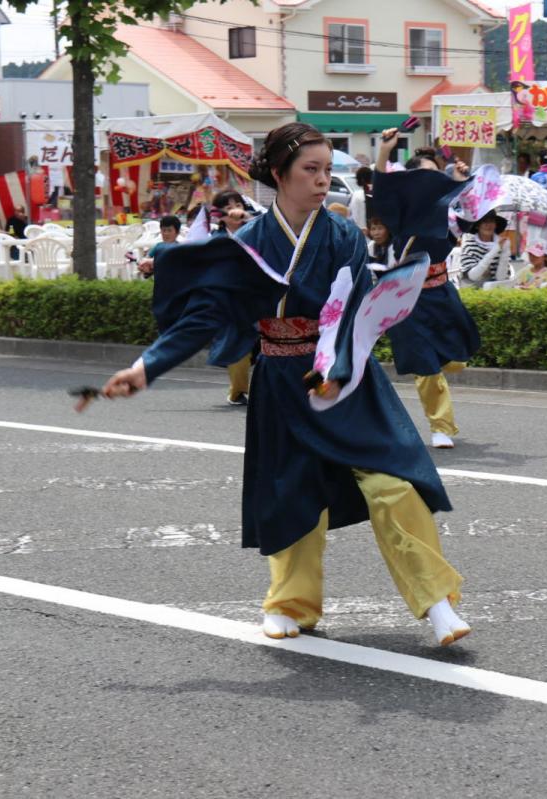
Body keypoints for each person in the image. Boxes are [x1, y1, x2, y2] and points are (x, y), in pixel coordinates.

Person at [93, 121, 470, 646]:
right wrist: (146, 368)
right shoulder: (246, 242)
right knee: (292, 493)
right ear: (278, 174)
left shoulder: (342, 235)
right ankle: (290, 604)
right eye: (309, 171)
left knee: (395, 484)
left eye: (325, 171)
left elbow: (357, 310)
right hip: (280, 380)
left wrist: (337, 368)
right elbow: (204, 318)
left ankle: (436, 602)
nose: (321, 182)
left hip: (346, 376)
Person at [374, 127, 481, 449]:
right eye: (424, 177)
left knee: (457, 358)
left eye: (437, 177)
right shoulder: (399, 211)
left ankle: (442, 386)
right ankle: (441, 426)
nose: (431, 184)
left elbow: (474, 215)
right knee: (424, 364)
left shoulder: (448, 213)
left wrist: (466, 179)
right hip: (407, 295)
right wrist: (385, 151)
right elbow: (382, 185)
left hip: (441, 291)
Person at [210, 190, 255, 405]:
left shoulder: (258, 228)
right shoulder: (216, 239)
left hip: (265, 295)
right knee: (240, 346)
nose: (235, 210)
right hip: (234, 300)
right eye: (228, 208)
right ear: (220, 215)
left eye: (238, 205)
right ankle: (239, 391)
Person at [459, 210, 509, 287]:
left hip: (493, 289)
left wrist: (505, 252)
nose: (489, 225)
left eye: (491, 221)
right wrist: (495, 250)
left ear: (496, 225)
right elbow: (473, 276)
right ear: (478, 225)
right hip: (472, 290)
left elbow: (501, 278)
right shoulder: (469, 246)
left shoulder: (502, 244)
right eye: (485, 222)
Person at [349, 165, 373, 232]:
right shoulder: (376, 193)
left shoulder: (357, 195)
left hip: (360, 231)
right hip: (373, 231)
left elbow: (354, 217)